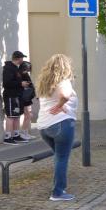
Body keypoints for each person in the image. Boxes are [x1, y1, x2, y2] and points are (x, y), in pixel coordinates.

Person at [36, 54, 78, 201]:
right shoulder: (63, 81)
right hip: (61, 124)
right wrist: (60, 105)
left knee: (59, 157)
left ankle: (59, 187)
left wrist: (60, 105)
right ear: (66, 67)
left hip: (44, 126)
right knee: (62, 158)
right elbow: (65, 95)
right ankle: (58, 192)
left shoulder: (45, 82)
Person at [2, 50, 29, 144]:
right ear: (18, 58)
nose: (23, 60)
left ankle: (16, 135)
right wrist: (20, 83)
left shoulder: (16, 68)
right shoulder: (8, 68)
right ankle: (8, 137)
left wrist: (23, 83)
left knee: (17, 116)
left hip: (17, 96)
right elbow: (6, 83)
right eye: (22, 58)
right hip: (11, 96)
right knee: (10, 116)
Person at [19, 61, 37, 140]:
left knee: (29, 115)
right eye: (27, 69)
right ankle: (23, 133)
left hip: (27, 97)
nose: (28, 71)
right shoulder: (19, 75)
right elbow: (21, 85)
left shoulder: (25, 74)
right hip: (24, 97)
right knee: (28, 115)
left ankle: (25, 132)